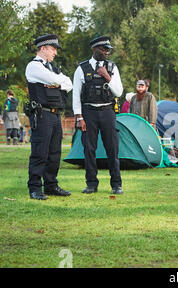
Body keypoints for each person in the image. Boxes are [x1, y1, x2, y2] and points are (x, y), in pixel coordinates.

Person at [72, 36, 124, 195]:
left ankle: (116, 184)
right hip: (88, 113)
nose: (107, 52)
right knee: (89, 149)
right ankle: (91, 184)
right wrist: (79, 117)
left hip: (108, 111)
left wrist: (106, 76)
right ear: (95, 49)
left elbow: (119, 92)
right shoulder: (82, 68)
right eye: (104, 49)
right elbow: (76, 94)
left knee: (112, 149)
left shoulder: (112, 67)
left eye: (108, 49)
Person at [25, 34, 73, 200]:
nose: (55, 53)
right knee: (40, 152)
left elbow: (69, 83)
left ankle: (51, 185)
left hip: (54, 114)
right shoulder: (34, 66)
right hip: (42, 113)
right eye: (53, 49)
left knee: (54, 153)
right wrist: (58, 82)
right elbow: (56, 80)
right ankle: (35, 187)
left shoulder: (51, 67)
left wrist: (57, 82)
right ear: (43, 48)